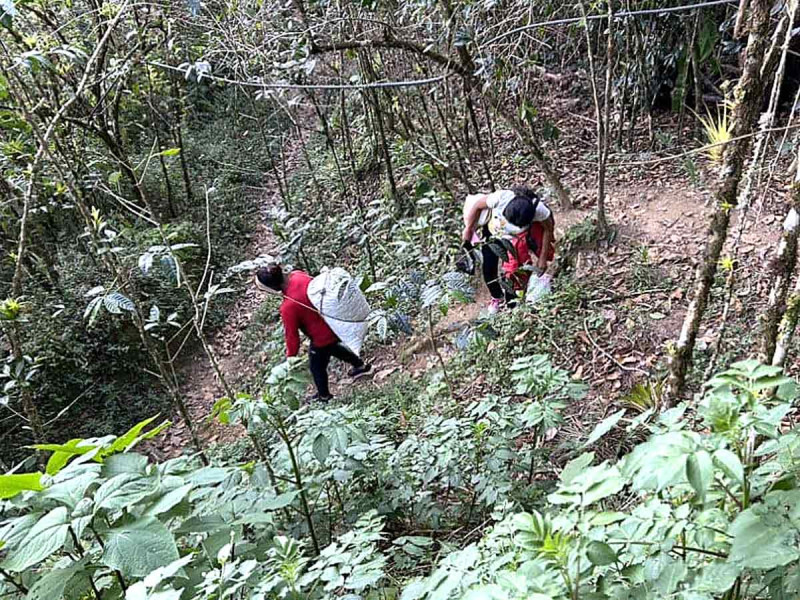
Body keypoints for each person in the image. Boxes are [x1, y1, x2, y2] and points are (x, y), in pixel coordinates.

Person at [255, 264, 372, 401]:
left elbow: (292, 337)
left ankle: (324, 396)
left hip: (322, 336)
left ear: (272, 288)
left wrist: (290, 359)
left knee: (316, 366)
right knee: (334, 349)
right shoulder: (298, 275)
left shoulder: (288, 307)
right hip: (335, 323)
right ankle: (360, 366)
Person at [461, 186, 555, 313]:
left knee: (514, 273)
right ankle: (496, 297)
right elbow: (477, 205)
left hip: (516, 242)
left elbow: (548, 229)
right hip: (492, 236)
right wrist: (469, 229)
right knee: (488, 269)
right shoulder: (501, 197)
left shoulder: (539, 210)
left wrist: (542, 259)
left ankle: (513, 304)